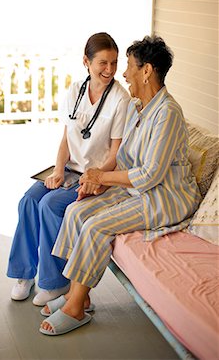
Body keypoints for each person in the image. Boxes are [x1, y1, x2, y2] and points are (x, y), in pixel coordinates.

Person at [39, 35, 201, 335]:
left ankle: (75, 309)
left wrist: (101, 177)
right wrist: (100, 184)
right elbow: (125, 160)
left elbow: (150, 175)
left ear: (146, 71)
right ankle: (81, 297)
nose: (123, 73)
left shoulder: (167, 114)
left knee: (95, 226)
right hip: (138, 190)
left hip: (166, 197)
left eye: (127, 66)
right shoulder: (141, 108)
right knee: (77, 212)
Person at [7, 32, 130, 306]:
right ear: (86, 61)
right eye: (102, 63)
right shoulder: (75, 90)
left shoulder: (120, 99)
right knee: (28, 200)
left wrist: (95, 176)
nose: (109, 70)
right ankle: (24, 274)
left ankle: (55, 282)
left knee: (49, 205)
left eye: (114, 62)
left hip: (97, 176)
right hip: (70, 171)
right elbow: (65, 139)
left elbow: (115, 153)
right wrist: (58, 171)